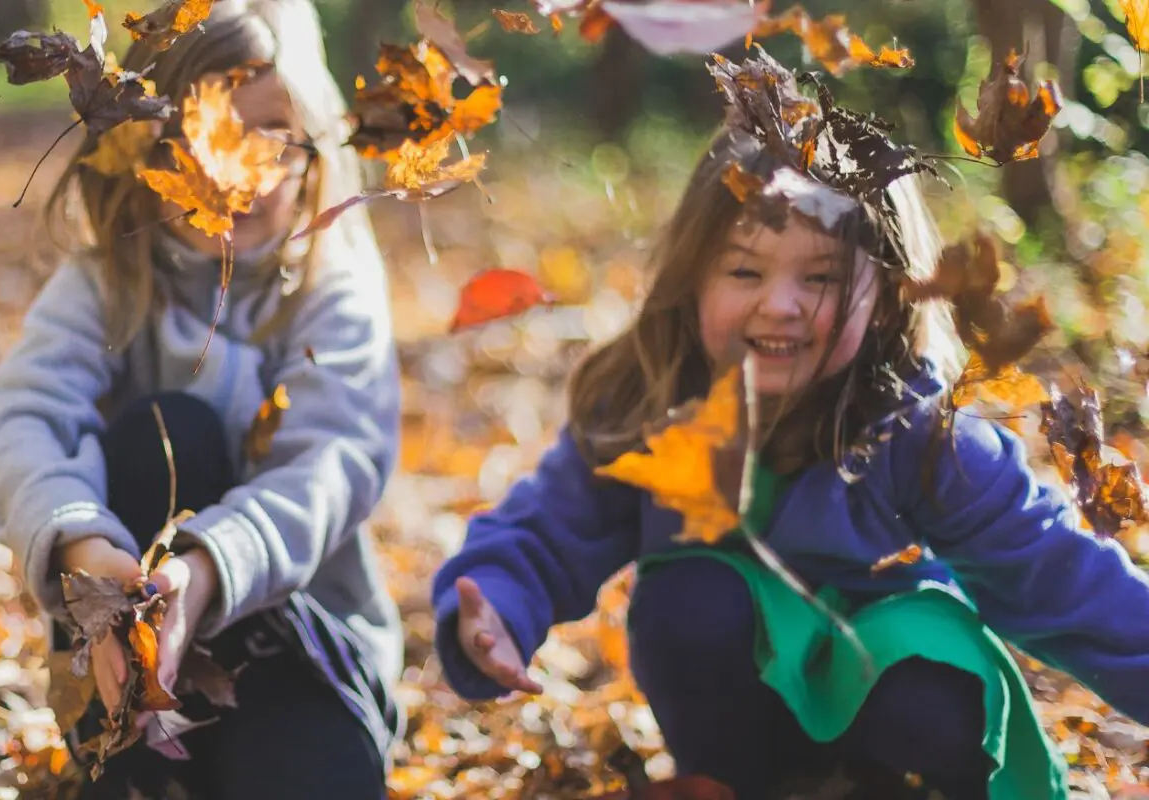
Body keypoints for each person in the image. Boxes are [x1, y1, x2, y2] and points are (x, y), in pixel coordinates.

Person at [429, 61, 1149, 800]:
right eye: (745, 272)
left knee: (924, 661)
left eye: (822, 279)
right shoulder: (651, 408)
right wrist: (497, 605)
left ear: (890, 295)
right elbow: (548, 529)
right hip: (742, 731)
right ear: (693, 276)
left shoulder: (919, 433)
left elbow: (1062, 578)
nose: (781, 305)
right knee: (694, 598)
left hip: (901, 720)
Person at [0, 1, 402, 796]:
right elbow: (21, 420)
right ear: (148, 144)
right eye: (207, 127)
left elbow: (335, 463)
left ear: (310, 143)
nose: (241, 162)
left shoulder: (329, 293)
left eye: (272, 128)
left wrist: (206, 572)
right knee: (165, 429)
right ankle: (136, 760)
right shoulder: (107, 284)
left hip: (298, 653)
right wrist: (85, 558)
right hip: (124, 658)